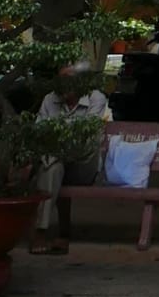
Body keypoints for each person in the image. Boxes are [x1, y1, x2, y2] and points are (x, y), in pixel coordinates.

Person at [28, 64, 112, 253]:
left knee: (51, 160)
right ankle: (43, 230)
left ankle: (47, 231)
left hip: (83, 165)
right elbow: (39, 132)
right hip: (56, 161)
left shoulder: (95, 98)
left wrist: (56, 139)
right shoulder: (50, 99)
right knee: (53, 167)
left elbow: (87, 136)